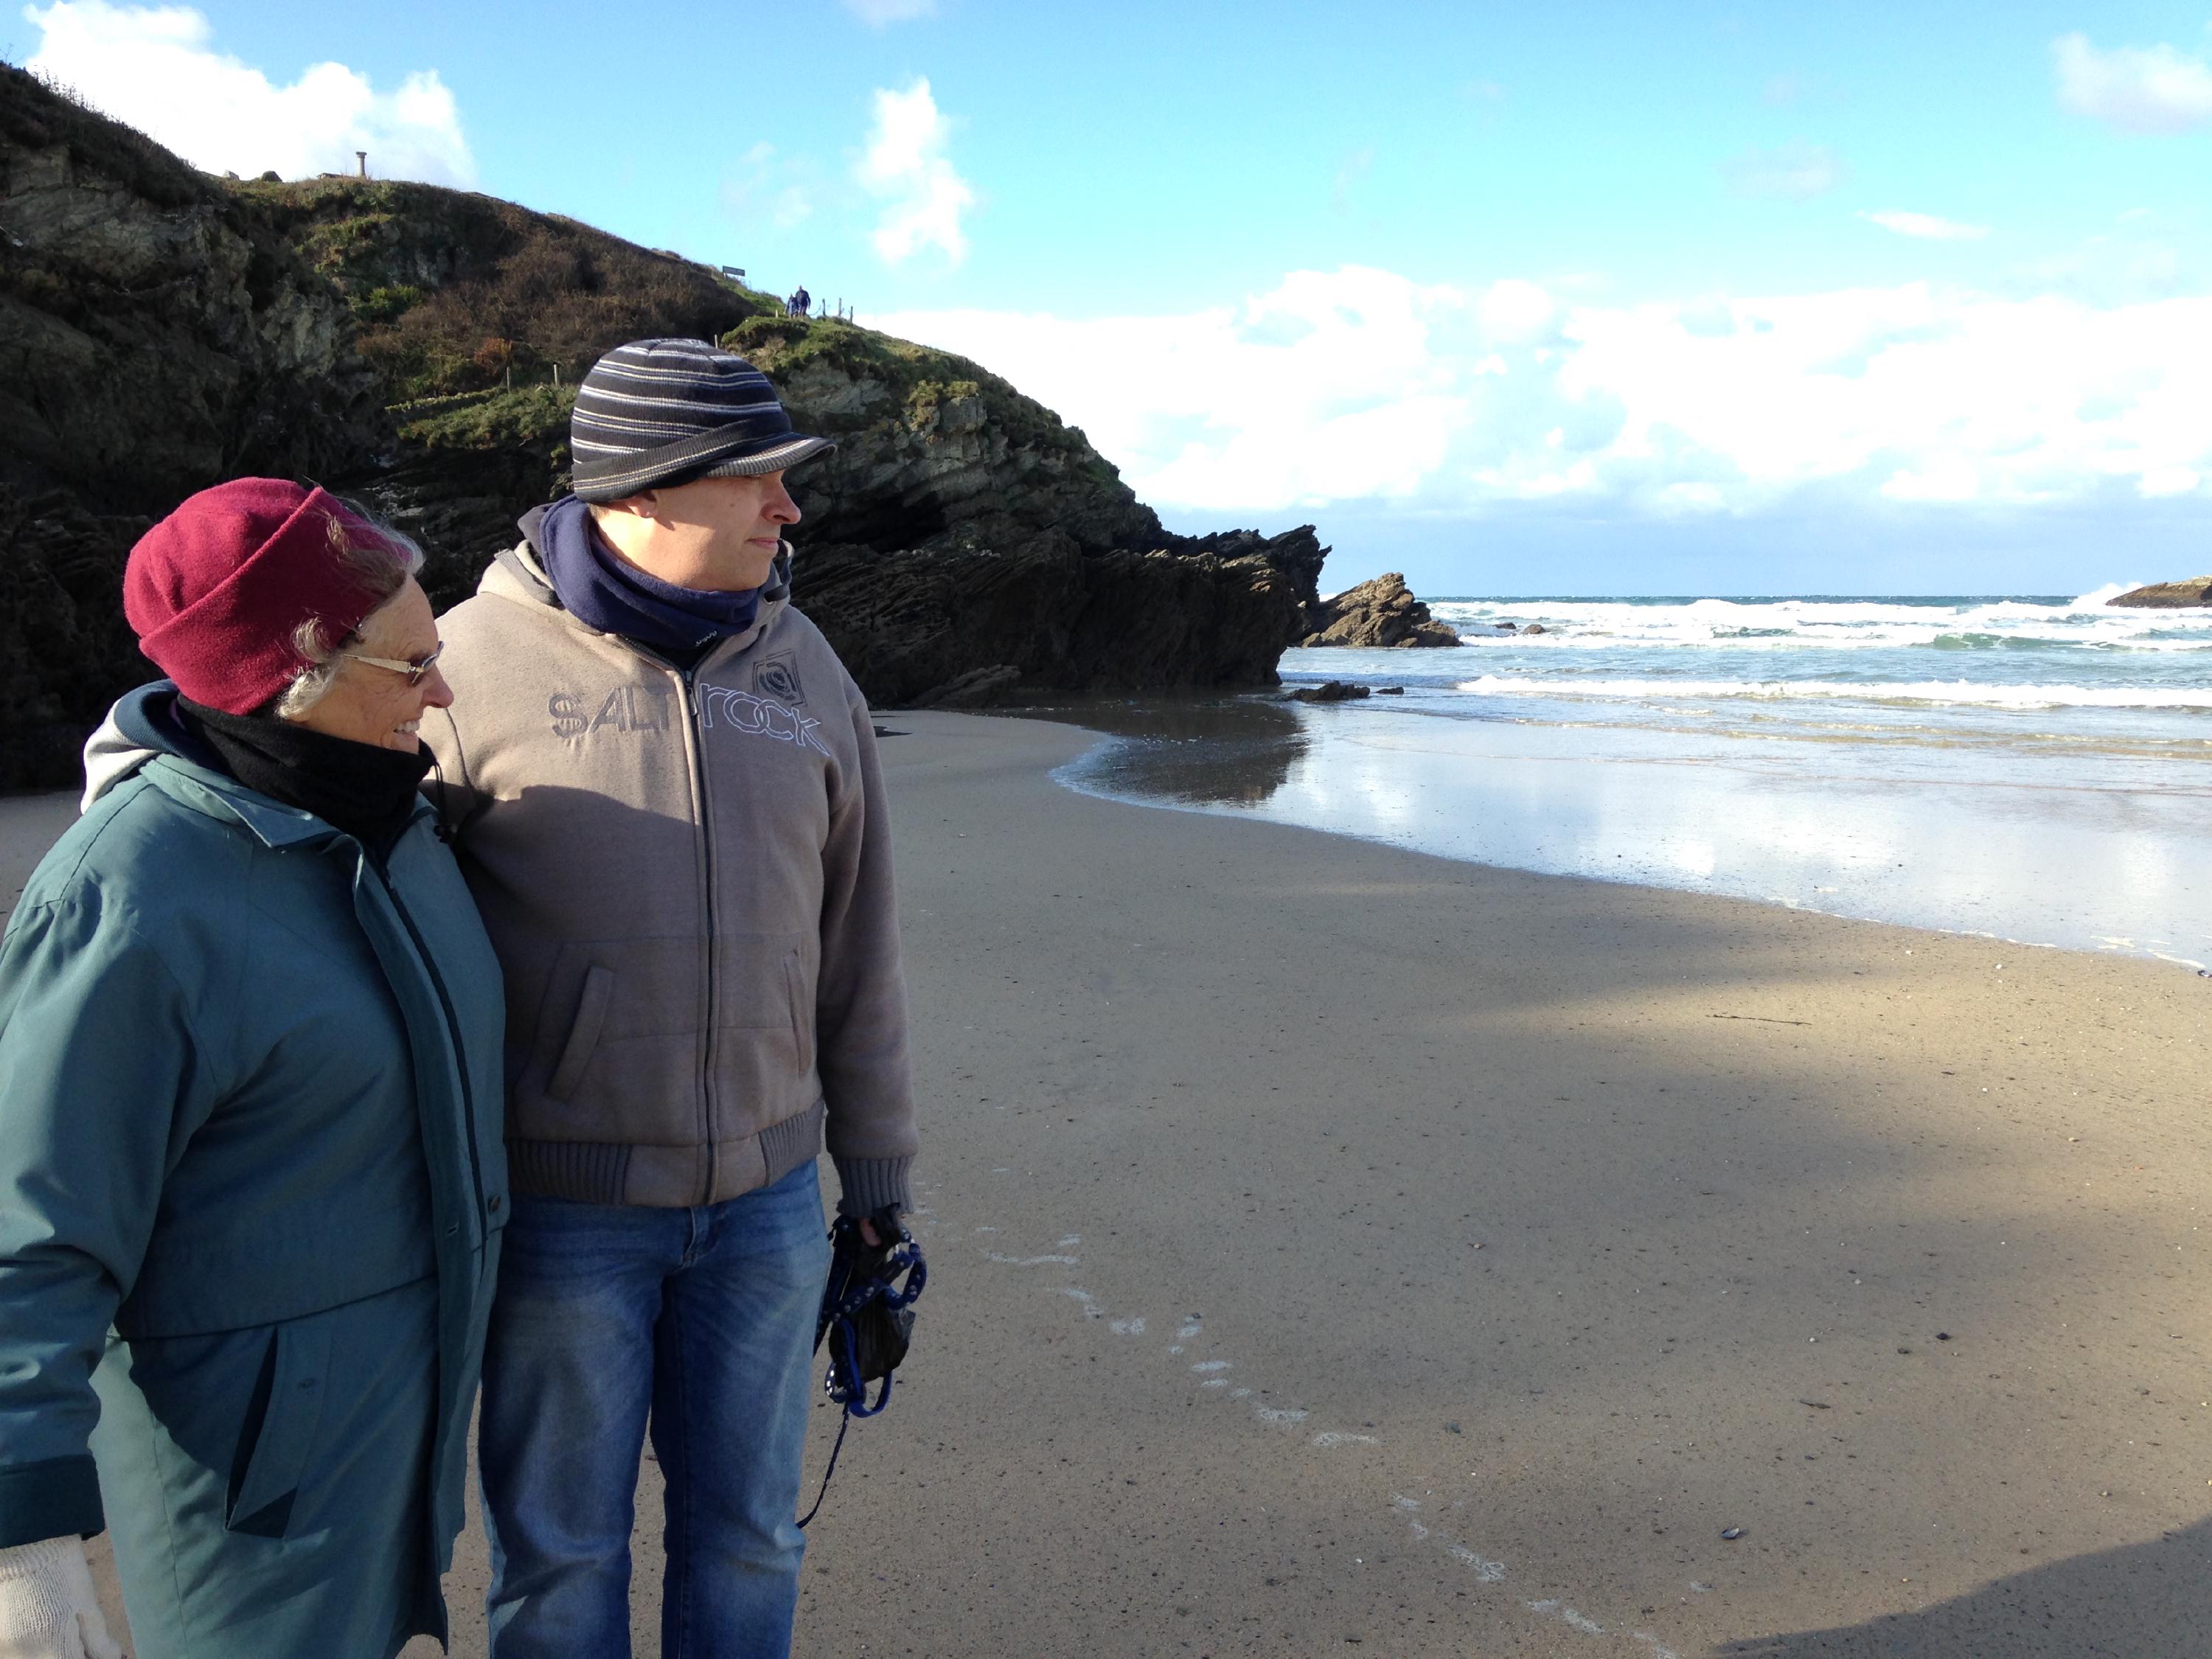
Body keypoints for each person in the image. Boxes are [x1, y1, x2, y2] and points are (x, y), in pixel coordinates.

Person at [422, 336, 918, 1658]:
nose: (787, 508)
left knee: (750, 1537)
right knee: (560, 1560)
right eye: (756, 477)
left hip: (768, 1209)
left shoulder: (806, 665)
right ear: (642, 488)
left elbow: (858, 939)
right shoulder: (461, 666)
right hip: (560, 1216)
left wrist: (876, 1179)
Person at [0, 481, 509, 1659]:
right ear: (298, 674)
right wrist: (22, 1533)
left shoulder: (395, 825)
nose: (443, 692)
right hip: (249, 1492)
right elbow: (32, 1227)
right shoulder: (129, 896)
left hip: (387, 1444)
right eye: (413, 665)